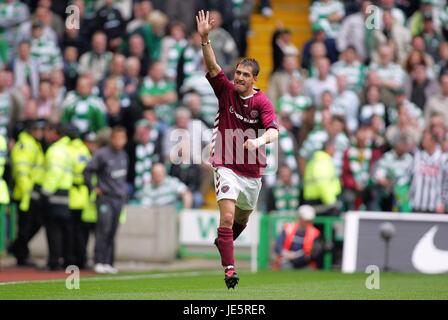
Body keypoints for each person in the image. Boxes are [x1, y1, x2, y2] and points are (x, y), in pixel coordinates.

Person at [196, 10, 279, 289]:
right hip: (226, 164)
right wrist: (205, 39)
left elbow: (274, 131)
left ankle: (224, 240)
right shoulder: (226, 92)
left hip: (252, 171)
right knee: (228, 216)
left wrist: (257, 142)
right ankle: (230, 270)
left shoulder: (263, 103)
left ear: (255, 79)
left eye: (245, 75)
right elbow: (213, 66)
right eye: (238, 73)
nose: (239, 77)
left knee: (241, 219)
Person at [83, 126, 129, 274]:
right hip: (105, 198)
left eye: (123, 138)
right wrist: (93, 187)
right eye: (117, 138)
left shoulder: (123, 155)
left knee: (113, 231)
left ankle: (109, 262)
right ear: (112, 139)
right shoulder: (102, 154)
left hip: (118, 198)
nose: (120, 141)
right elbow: (88, 170)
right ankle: (99, 261)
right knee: (103, 229)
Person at [9, 119, 46, 266]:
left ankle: (18, 249)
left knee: (33, 223)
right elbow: (21, 170)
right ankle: (21, 254)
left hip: (32, 192)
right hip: (26, 194)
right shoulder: (26, 145)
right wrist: (28, 191)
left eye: (41, 130)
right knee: (26, 225)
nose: (39, 132)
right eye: (36, 129)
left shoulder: (33, 144)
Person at [41, 123, 74, 270]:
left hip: (54, 193)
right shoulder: (67, 149)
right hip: (65, 193)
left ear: (55, 133)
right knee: (63, 230)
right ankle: (65, 260)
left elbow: (55, 173)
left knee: (53, 230)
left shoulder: (55, 150)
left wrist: (46, 191)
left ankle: (54, 262)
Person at [274, 205, 322, 270]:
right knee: (286, 267)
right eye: (305, 220)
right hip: (287, 262)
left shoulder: (314, 233)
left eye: (309, 220)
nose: (307, 222)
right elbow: (278, 246)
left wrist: (304, 256)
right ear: (299, 218)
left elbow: (315, 252)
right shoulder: (288, 229)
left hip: (306, 264)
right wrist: (287, 254)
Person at [303, 139, 341, 215]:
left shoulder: (315, 160)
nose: (335, 151)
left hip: (314, 200)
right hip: (321, 201)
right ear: (328, 148)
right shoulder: (323, 161)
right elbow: (322, 183)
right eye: (333, 148)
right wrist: (331, 202)